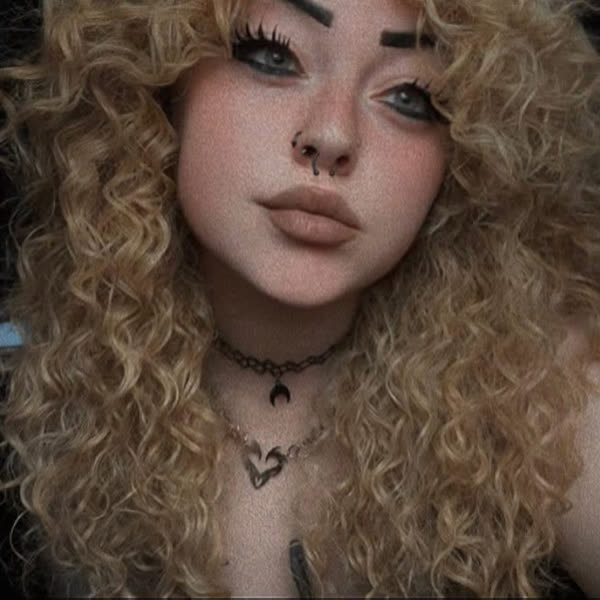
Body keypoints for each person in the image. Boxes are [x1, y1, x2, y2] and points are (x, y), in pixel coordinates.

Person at [0, 0, 599, 596]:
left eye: (409, 96)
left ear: (468, 158)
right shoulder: (36, 389)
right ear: (160, 84)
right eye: (272, 55)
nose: (332, 136)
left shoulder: (541, 394)